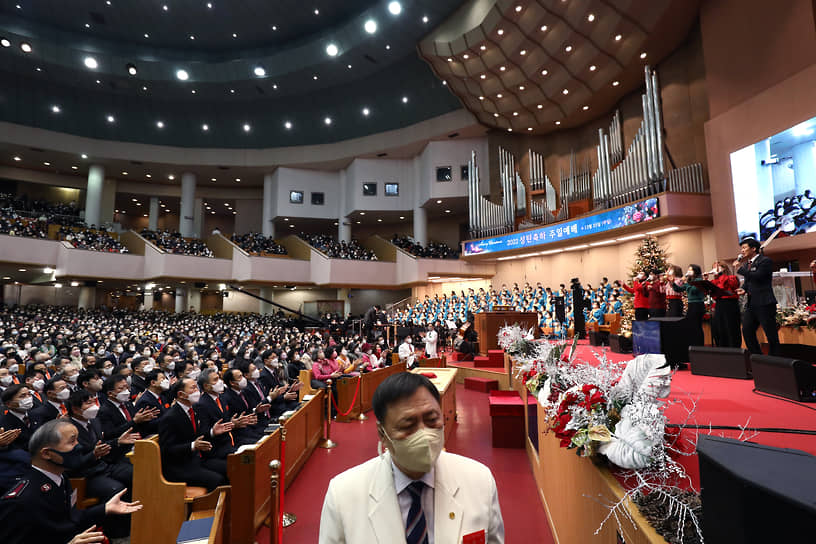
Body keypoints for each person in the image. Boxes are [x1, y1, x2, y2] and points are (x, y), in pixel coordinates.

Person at [319, 372, 504, 543]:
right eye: (408, 426)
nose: (424, 435)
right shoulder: (343, 495)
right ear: (382, 434)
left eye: (432, 420)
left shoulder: (480, 481)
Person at [0, 419, 142, 544]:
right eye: (71, 442)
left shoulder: (60, 478)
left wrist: (104, 508)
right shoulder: (21, 501)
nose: (79, 447)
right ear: (47, 453)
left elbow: (68, 520)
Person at [158, 378, 231, 491]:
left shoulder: (193, 410)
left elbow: (197, 435)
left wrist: (212, 432)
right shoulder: (170, 417)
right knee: (217, 479)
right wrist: (192, 446)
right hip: (179, 466)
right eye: (193, 388)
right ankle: (212, 507)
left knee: (230, 468)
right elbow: (166, 450)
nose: (197, 391)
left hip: (196, 459)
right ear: (181, 394)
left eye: (197, 387)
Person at [733, 238, 780, 355]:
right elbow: (749, 281)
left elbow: (758, 276)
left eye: (744, 248)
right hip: (752, 303)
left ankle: (775, 359)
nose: (742, 251)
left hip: (765, 302)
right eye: (741, 248)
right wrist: (743, 289)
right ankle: (757, 357)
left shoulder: (765, 261)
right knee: (747, 330)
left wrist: (740, 269)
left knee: (771, 334)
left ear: (754, 249)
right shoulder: (747, 264)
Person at [708, 261, 742, 348]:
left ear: (724, 268)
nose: (715, 269)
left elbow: (725, 286)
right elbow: (712, 292)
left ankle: (735, 352)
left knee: (731, 329)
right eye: (714, 267)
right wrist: (705, 280)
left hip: (730, 305)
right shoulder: (714, 281)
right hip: (719, 305)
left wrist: (720, 274)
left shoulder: (732, 278)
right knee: (719, 329)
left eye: (717, 267)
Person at [674, 265, 706, 348]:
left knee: (697, 326)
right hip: (691, 305)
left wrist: (685, 283)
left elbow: (693, 290)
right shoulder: (690, 281)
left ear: (695, 271)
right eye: (688, 269)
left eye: (690, 269)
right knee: (691, 326)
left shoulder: (699, 280)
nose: (688, 271)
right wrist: (672, 282)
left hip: (698, 305)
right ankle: (693, 344)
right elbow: (678, 289)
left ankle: (699, 345)